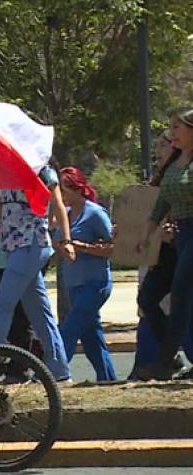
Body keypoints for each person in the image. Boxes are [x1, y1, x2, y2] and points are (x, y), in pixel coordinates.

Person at [0, 164, 74, 382]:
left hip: (32, 243)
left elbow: (57, 203)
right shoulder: (5, 171)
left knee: (2, 306)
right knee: (40, 312)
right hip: (14, 247)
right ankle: (59, 370)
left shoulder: (42, 170)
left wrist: (66, 240)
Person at [136, 106, 193, 380]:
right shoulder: (174, 163)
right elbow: (162, 203)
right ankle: (171, 360)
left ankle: (163, 362)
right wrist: (147, 234)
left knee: (181, 296)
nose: (172, 134)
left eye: (177, 128)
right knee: (153, 297)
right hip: (180, 237)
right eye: (170, 128)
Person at [55, 167, 116, 381]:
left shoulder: (95, 213)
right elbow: (60, 246)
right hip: (74, 284)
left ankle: (53, 373)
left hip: (95, 283)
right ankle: (108, 379)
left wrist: (83, 247)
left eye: (64, 190)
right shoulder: (65, 215)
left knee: (70, 329)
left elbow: (113, 247)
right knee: (91, 336)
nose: (61, 196)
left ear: (78, 189)